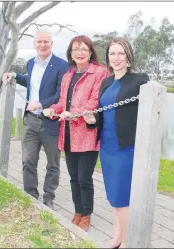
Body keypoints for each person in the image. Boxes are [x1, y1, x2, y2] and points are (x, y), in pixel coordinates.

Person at [84, 37, 150, 248]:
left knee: (121, 197)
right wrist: (92, 120)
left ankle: (128, 242)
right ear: (108, 58)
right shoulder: (106, 82)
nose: (116, 57)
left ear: (129, 57)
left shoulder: (140, 80)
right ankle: (117, 237)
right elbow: (103, 115)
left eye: (121, 53)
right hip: (106, 146)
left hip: (125, 148)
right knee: (114, 195)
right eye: (112, 53)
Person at [42, 35, 109, 232]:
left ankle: (87, 214)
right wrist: (53, 109)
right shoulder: (68, 75)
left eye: (83, 49)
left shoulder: (100, 73)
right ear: (71, 53)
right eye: (75, 49)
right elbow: (63, 101)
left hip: (87, 134)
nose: (79, 53)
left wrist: (75, 114)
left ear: (90, 52)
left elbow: (95, 101)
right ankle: (78, 211)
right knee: (72, 177)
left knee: (84, 178)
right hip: (68, 134)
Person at [1, 30, 69, 209]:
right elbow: (31, 82)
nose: (42, 45)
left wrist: (40, 104)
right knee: (28, 160)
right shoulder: (31, 63)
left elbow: (60, 94)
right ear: (34, 44)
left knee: (52, 163)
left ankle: (48, 196)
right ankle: (31, 194)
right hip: (31, 121)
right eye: (39, 42)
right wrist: (14, 75)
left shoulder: (62, 66)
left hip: (51, 122)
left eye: (46, 41)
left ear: (51, 44)